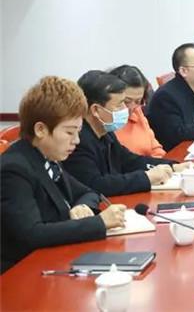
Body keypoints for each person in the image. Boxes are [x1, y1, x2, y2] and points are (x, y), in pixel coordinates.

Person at [1, 77, 127, 273]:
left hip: (52, 260)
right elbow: (32, 234)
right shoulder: (14, 169)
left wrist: (81, 206)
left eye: (78, 132)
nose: (76, 141)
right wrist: (98, 223)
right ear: (41, 130)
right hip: (21, 273)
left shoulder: (46, 156)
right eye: (69, 133)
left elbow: (89, 192)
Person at [64, 71, 190, 196]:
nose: (126, 109)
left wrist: (172, 166)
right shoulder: (78, 141)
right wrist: (146, 178)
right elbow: (96, 185)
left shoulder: (105, 132)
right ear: (96, 110)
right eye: (119, 105)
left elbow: (129, 161)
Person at [109, 65, 166, 157]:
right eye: (126, 101)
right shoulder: (107, 122)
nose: (132, 107)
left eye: (137, 101)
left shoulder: (137, 111)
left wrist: (162, 162)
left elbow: (155, 148)